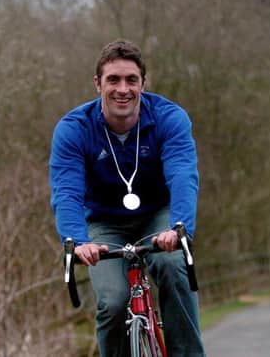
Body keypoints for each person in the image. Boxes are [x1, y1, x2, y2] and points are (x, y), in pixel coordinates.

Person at [49, 39, 205, 356]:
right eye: (113, 80)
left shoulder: (169, 119)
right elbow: (66, 191)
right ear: (98, 84)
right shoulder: (73, 130)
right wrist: (77, 241)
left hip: (157, 216)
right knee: (113, 300)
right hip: (103, 223)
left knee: (174, 271)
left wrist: (180, 227)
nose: (123, 89)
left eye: (131, 80)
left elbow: (183, 174)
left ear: (143, 84)